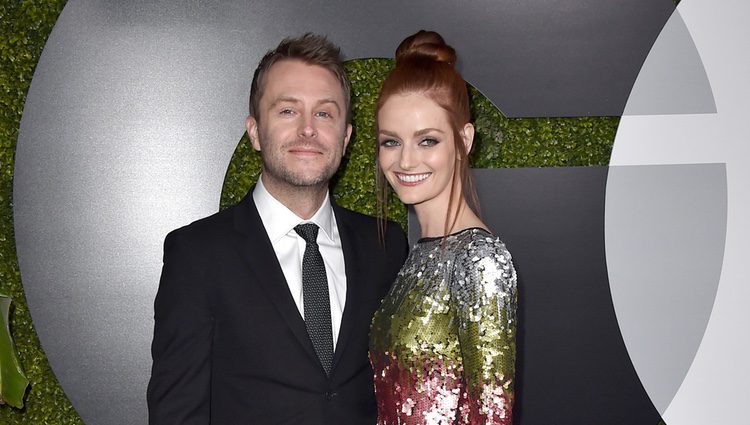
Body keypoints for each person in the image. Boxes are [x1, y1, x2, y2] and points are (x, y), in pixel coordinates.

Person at [147, 33, 408, 424]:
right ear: (254, 131)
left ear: (346, 136)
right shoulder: (197, 254)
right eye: (288, 111)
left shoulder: (386, 246)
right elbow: (177, 414)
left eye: (324, 113)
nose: (308, 129)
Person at [368, 30, 518, 424]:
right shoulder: (419, 254)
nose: (406, 161)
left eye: (427, 140)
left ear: (463, 140)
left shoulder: (480, 261)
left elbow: (493, 415)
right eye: (390, 142)